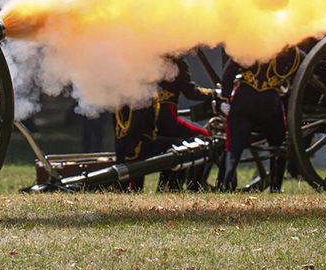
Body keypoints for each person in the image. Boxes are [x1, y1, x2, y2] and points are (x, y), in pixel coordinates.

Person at [113, 54, 218, 191]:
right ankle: (178, 187)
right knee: (197, 142)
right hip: (141, 142)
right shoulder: (143, 89)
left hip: (131, 142)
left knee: (177, 148)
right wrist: (214, 93)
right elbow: (190, 92)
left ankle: (169, 187)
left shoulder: (129, 84)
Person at [218, 42, 300, 192]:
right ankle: (275, 188)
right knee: (279, 146)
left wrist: (224, 98)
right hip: (270, 104)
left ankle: (225, 184)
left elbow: (229, 73)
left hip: (244, 102)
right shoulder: (291, 52)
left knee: (233, 146)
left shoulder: (248, 43)